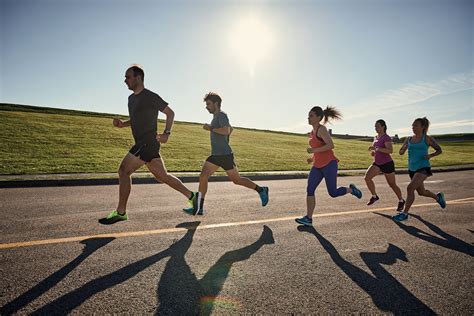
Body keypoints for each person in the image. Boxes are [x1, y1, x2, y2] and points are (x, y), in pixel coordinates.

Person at [99, 65, 199, 225]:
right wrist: (122, 124)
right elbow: (136, 120)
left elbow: (170, 113)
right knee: (163, 177)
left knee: (123, 171)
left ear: (138, 78)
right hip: (144, 144)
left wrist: (166, 133)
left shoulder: (150, 96)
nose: (125, 80)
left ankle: (121, 212)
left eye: (128, 77)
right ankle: (193, 197)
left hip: (147, 142)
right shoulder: (131, 99)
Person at [183, 92, 269, 215]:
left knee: (237, 180)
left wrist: (211, 128)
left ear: (216, 104)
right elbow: (230, 129)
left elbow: (227, 130)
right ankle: (199, 207)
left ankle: (261, 189)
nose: (206, 107)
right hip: (216, 155)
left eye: (208, 104)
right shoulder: (217, 116)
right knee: (203, 176)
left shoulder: (221, 115)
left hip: (225, 155)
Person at [295, 106, 362, 226]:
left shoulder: (322, 129)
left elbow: (330, 145)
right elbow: (319, 149)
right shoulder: (312, 132)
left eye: (311, 116)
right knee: (310, 189)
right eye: (308, 115)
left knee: (333, 193)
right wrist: (313, 158)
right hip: (317, 165)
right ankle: (309, 218)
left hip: (329, 164)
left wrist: (314, 149)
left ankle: (352, 190)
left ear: (318, 117)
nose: (308, 118)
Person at [393, 117, 446, 222]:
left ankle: (405, 213)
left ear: (422, 127)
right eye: (412, 125)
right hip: (412, 169)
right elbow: (401, 152)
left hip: (423, 167)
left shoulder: (426, 138)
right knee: (421, 192)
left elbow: (439, 150)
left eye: (416, 125)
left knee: (410, 188)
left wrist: (430, 155)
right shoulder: (409, 139)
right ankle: (438, 197)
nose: (413, 127)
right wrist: (403, 149)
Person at [364, 119, 405, 211]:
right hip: (377, 163)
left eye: (377, 126)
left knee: (392, 185)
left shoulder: (386, 137)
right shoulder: (375, 137)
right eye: (375, 126)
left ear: (383, 127)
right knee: (367, 178)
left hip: (387, 163)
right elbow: (376, 149)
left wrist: (377, 149)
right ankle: (374, 196)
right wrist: (373, 152)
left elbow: (390, 150)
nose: (376, 128)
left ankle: (401, 200)